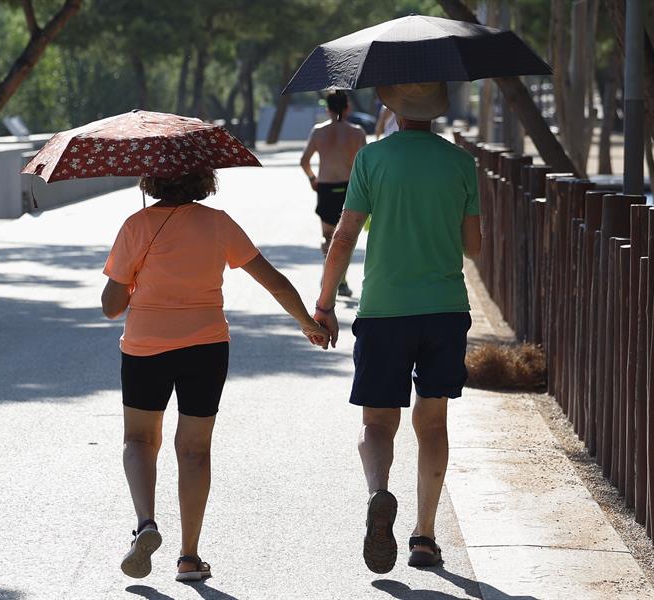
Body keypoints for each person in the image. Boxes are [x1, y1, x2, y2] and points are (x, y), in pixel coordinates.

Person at [101, 172, 329, 582]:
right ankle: (189, 557)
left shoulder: (136, 226)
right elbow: (272, 281)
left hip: (145, 346)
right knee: (194, 450)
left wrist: (137, 278)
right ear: (202, 178)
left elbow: (111, 306)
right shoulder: (218, 223)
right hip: (205, 347)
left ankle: (146, 523)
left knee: (138, 439)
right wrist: (307, 323)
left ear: (151, 179)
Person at [313, 82, 482, 574]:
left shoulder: (372, 159)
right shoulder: (460, 163)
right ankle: (425, 537)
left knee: (377, 423)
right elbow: (474, 247)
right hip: (445, 309)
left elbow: (343, 237)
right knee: (432, 424)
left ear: (392, 107)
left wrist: (324, 304)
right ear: (438, 109)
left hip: (385, 310)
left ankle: (379, 493)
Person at [300, 91, 366, 298]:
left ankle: (329, 274)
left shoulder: (318, 132)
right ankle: (341, 280)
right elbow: (365, 164)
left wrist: (312, 179)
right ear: (347, 107)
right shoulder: (357, 132)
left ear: (327, 108)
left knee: (328, 237)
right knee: (346, 237)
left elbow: (304, 160)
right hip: (349, 189)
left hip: (326, 188)